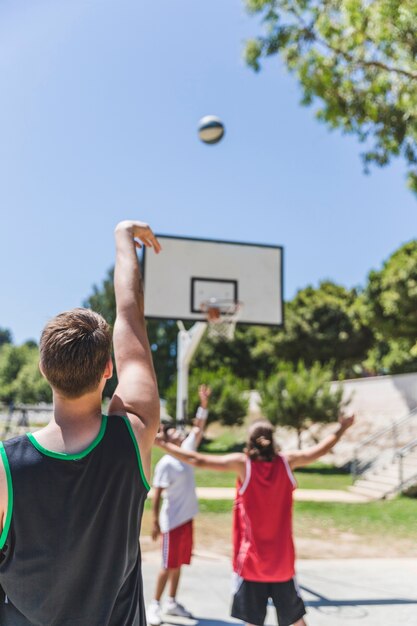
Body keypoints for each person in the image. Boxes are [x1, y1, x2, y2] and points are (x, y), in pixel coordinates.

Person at [0, 220, 161, 625]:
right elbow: (130, 316)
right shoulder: (135, 434)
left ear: (42, 369)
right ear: (109, 369)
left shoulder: (5, 466)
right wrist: (124, 238)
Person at [156, 414, 355, 626]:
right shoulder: (287, 462)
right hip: (282, 564)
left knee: (253, 622)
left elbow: (198, 459)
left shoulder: (244, 465)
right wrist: (342, 428)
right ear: (272, 440)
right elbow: (320, 450)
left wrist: (163, 445)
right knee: (297, 621)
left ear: (249, 442)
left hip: (252, 563)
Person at [147, 385, 211, 626]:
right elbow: (157, 494)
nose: (180, 435)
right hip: (171, 521)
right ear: (166, 438)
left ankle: (172, 602)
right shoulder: (165, 463)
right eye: (174, 433)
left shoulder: (188, 450)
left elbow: (199, 427)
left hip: (186, 519)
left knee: (178, 564)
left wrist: (203, 405)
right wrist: (154, 522)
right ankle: (154, 604)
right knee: (167, 565)